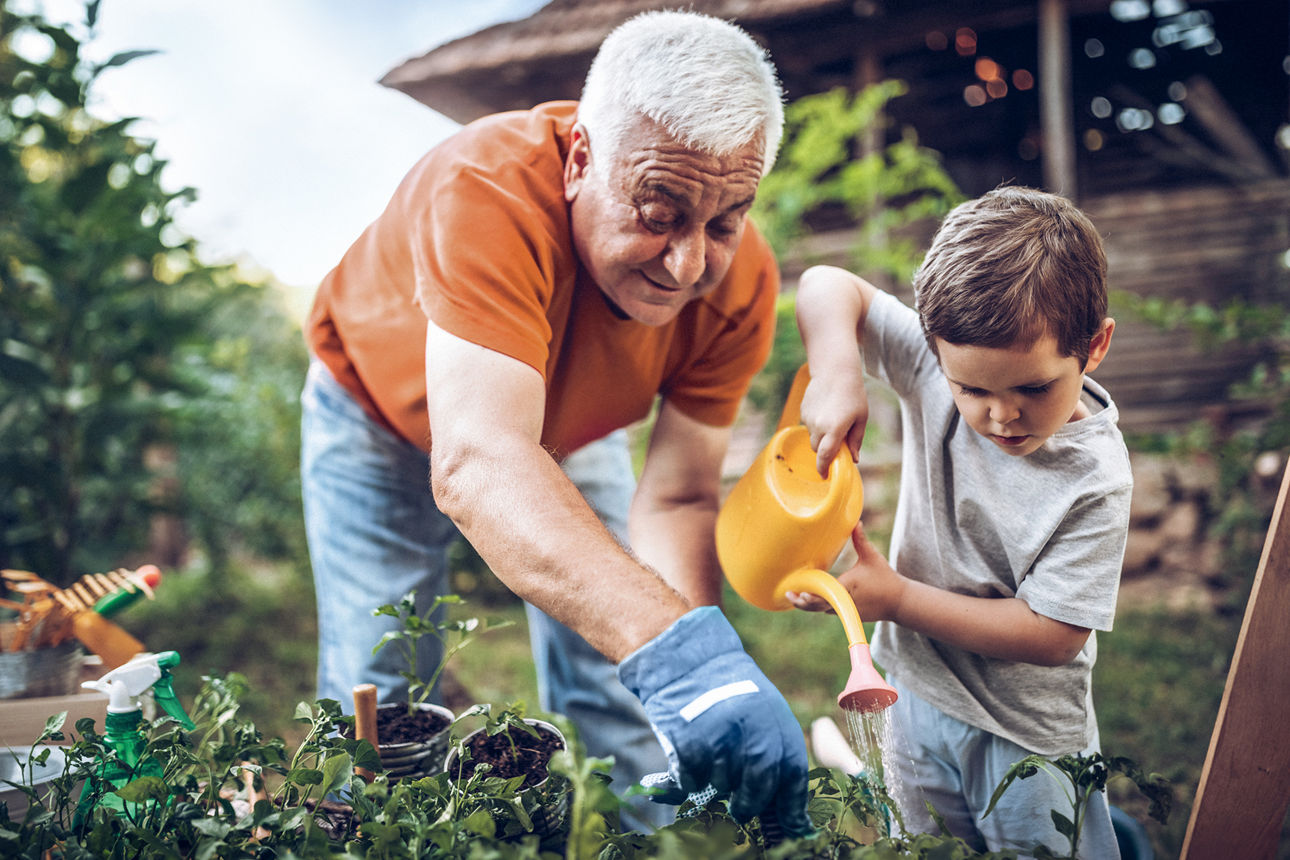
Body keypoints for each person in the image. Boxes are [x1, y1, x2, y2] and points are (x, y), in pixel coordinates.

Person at [300, 9, 811, 835]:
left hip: (568, 427)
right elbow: (481, 460)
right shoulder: (486, 187)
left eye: (722, 220)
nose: (688, 265)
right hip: (376, 414)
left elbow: (677, 499)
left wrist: (709, 670)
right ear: (581, 159)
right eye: (658, 210)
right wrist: (679, 653)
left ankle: (637, 843)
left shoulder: (739, 284)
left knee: (624, 675)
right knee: (385, 684)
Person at [789, 186, 1129, 857]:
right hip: (912, 695)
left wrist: (896, 599)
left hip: (1025, 736)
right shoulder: (928, 362)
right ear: (934, 349)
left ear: (1093, 347)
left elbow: (1055, 634)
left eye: (1033, 388)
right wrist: (837, 373)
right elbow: (826, 284)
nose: (1002, 416)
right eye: (972, 390)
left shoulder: (1094, 477)